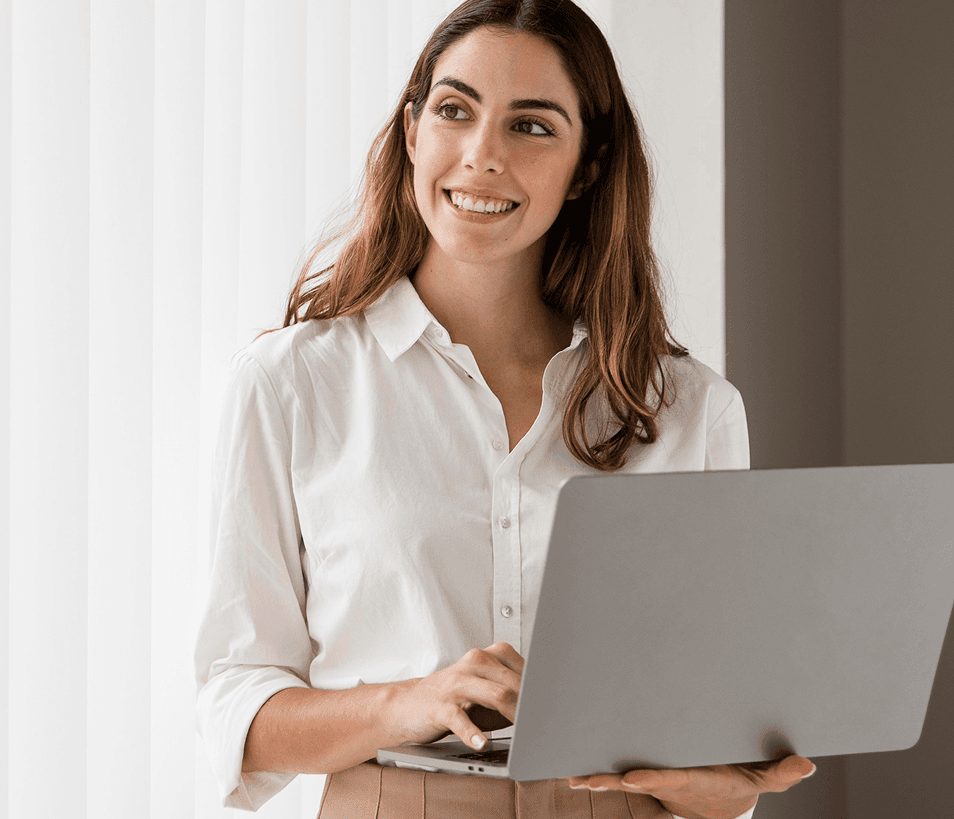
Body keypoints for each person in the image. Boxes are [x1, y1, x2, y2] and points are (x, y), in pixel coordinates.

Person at [194, 1, 816, 816]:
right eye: (455, 110)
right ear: (413, 132)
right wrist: (412, 701)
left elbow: (719, 749)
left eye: (531, 126)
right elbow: (236, 702)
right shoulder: (290, 384)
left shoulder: (691, 408)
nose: (482, 155)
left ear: (586, 167)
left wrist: (721, 782)